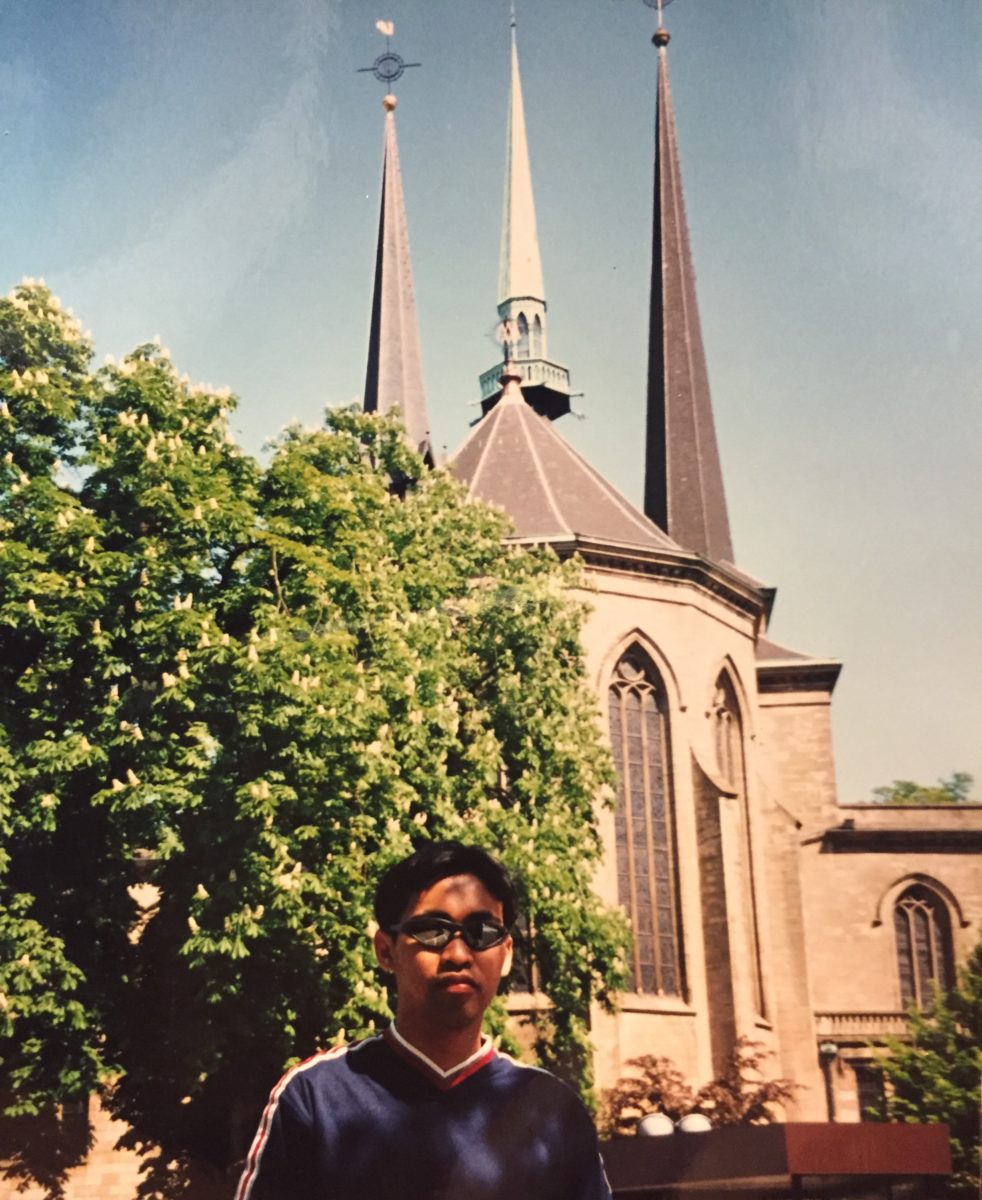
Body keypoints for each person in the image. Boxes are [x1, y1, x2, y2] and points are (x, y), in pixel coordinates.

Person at [236, 840, 612, 1199]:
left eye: (482, 932)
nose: (459, 954)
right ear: (385, 950)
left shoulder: (552, 1110)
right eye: (432, 930)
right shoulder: (316, 1098)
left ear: (507, 954)